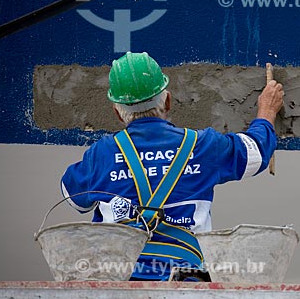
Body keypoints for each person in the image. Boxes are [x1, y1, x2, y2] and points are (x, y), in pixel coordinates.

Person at [61, 51, 284, 281]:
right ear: (167, 101)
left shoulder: (102, 153)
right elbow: (255, 153)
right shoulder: (202, 146)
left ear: (117, 113)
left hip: (118, 283)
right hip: (182, 287)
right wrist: (267, 111)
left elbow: (71, 196)